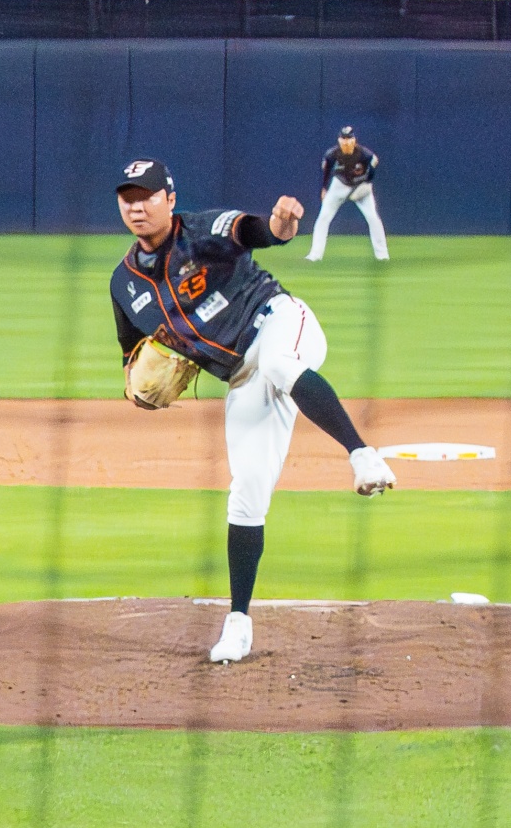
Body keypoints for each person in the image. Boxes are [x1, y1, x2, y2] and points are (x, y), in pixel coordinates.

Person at [109, 158, 396, 665]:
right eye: (128, 198)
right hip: (241, 378)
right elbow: (132, 355)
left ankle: (363, 454)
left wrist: (281, 225)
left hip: (280, 321)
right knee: (245, 494)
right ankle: (238, 623)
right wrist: (139, 389)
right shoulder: (123, 283)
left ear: (169, 200)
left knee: (282, 364)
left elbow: (257, 231)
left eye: (147, 196)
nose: (137, 206)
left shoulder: (202, 231)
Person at [308, 125, 389, 262]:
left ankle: (382, 255)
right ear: (339, 140)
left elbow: (373, 167)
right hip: (339, 185)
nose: (346, 142)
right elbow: (326, 171)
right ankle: (315, 255)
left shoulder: (364, 154)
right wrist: (324, 188)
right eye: (343, 139)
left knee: (373, 218)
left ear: (354, 140)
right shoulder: (332, 154)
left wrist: (366, 183)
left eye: (349, 139)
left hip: (361, 186)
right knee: (323, 217)